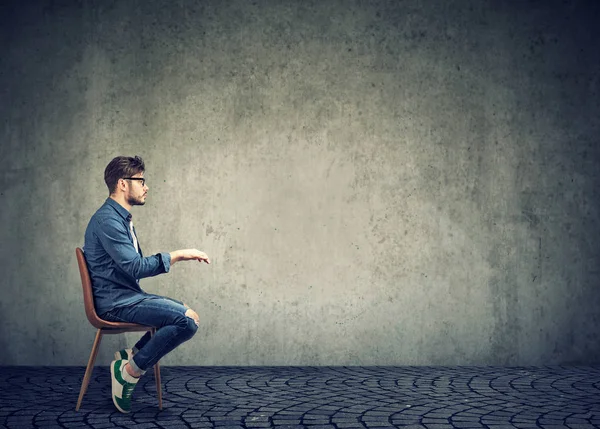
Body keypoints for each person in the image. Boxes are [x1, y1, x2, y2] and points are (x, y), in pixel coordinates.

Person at [83, 155, 210, 413]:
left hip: (126, 296)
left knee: (184, 310)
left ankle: (132, 355)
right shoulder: (107, 220)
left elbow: (131, 267)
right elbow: (136, 266)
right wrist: (180, 254)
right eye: (140, 180)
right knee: (187, 321)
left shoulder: (118, 218)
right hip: (115, 304)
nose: (146, 186)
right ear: (122, 183)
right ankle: (129, 372)